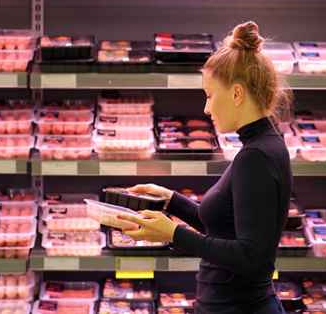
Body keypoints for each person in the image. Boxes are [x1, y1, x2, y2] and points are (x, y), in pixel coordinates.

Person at [118, 21, 293, 314]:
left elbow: (252, 256)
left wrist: (173, 234)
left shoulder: (257, 157)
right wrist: (171, 200)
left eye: (210, 96)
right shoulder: (262, 146)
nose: (206, 109)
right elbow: (224, 228)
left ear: (237, 94)